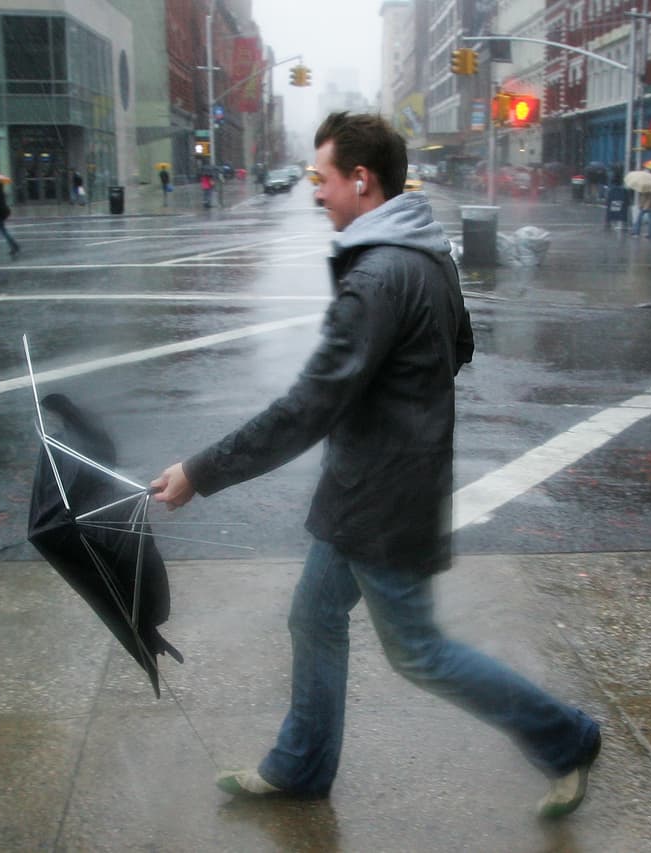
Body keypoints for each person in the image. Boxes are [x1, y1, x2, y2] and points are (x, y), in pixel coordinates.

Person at [151, 112, 601, 819]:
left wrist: (200, 471)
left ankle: (567, 736)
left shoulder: (380, 276)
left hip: (382, 497)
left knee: (418, 651)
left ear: (361, 180)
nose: (316, 194)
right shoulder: (423, 250)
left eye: (322, 179)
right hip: (373, 483)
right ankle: (302, 764)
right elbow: (456, 346)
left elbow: (308, 406)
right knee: (314, 617)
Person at [632, 172, 651, 238]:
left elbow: (649, 197)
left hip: (646, 206)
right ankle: (649, 233)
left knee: (640, 219)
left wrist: (644, 206)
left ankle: (636, 232)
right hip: (646, 205)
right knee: (648, 219)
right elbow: (643, 197)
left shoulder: (649, 188)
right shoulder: (649, 186)